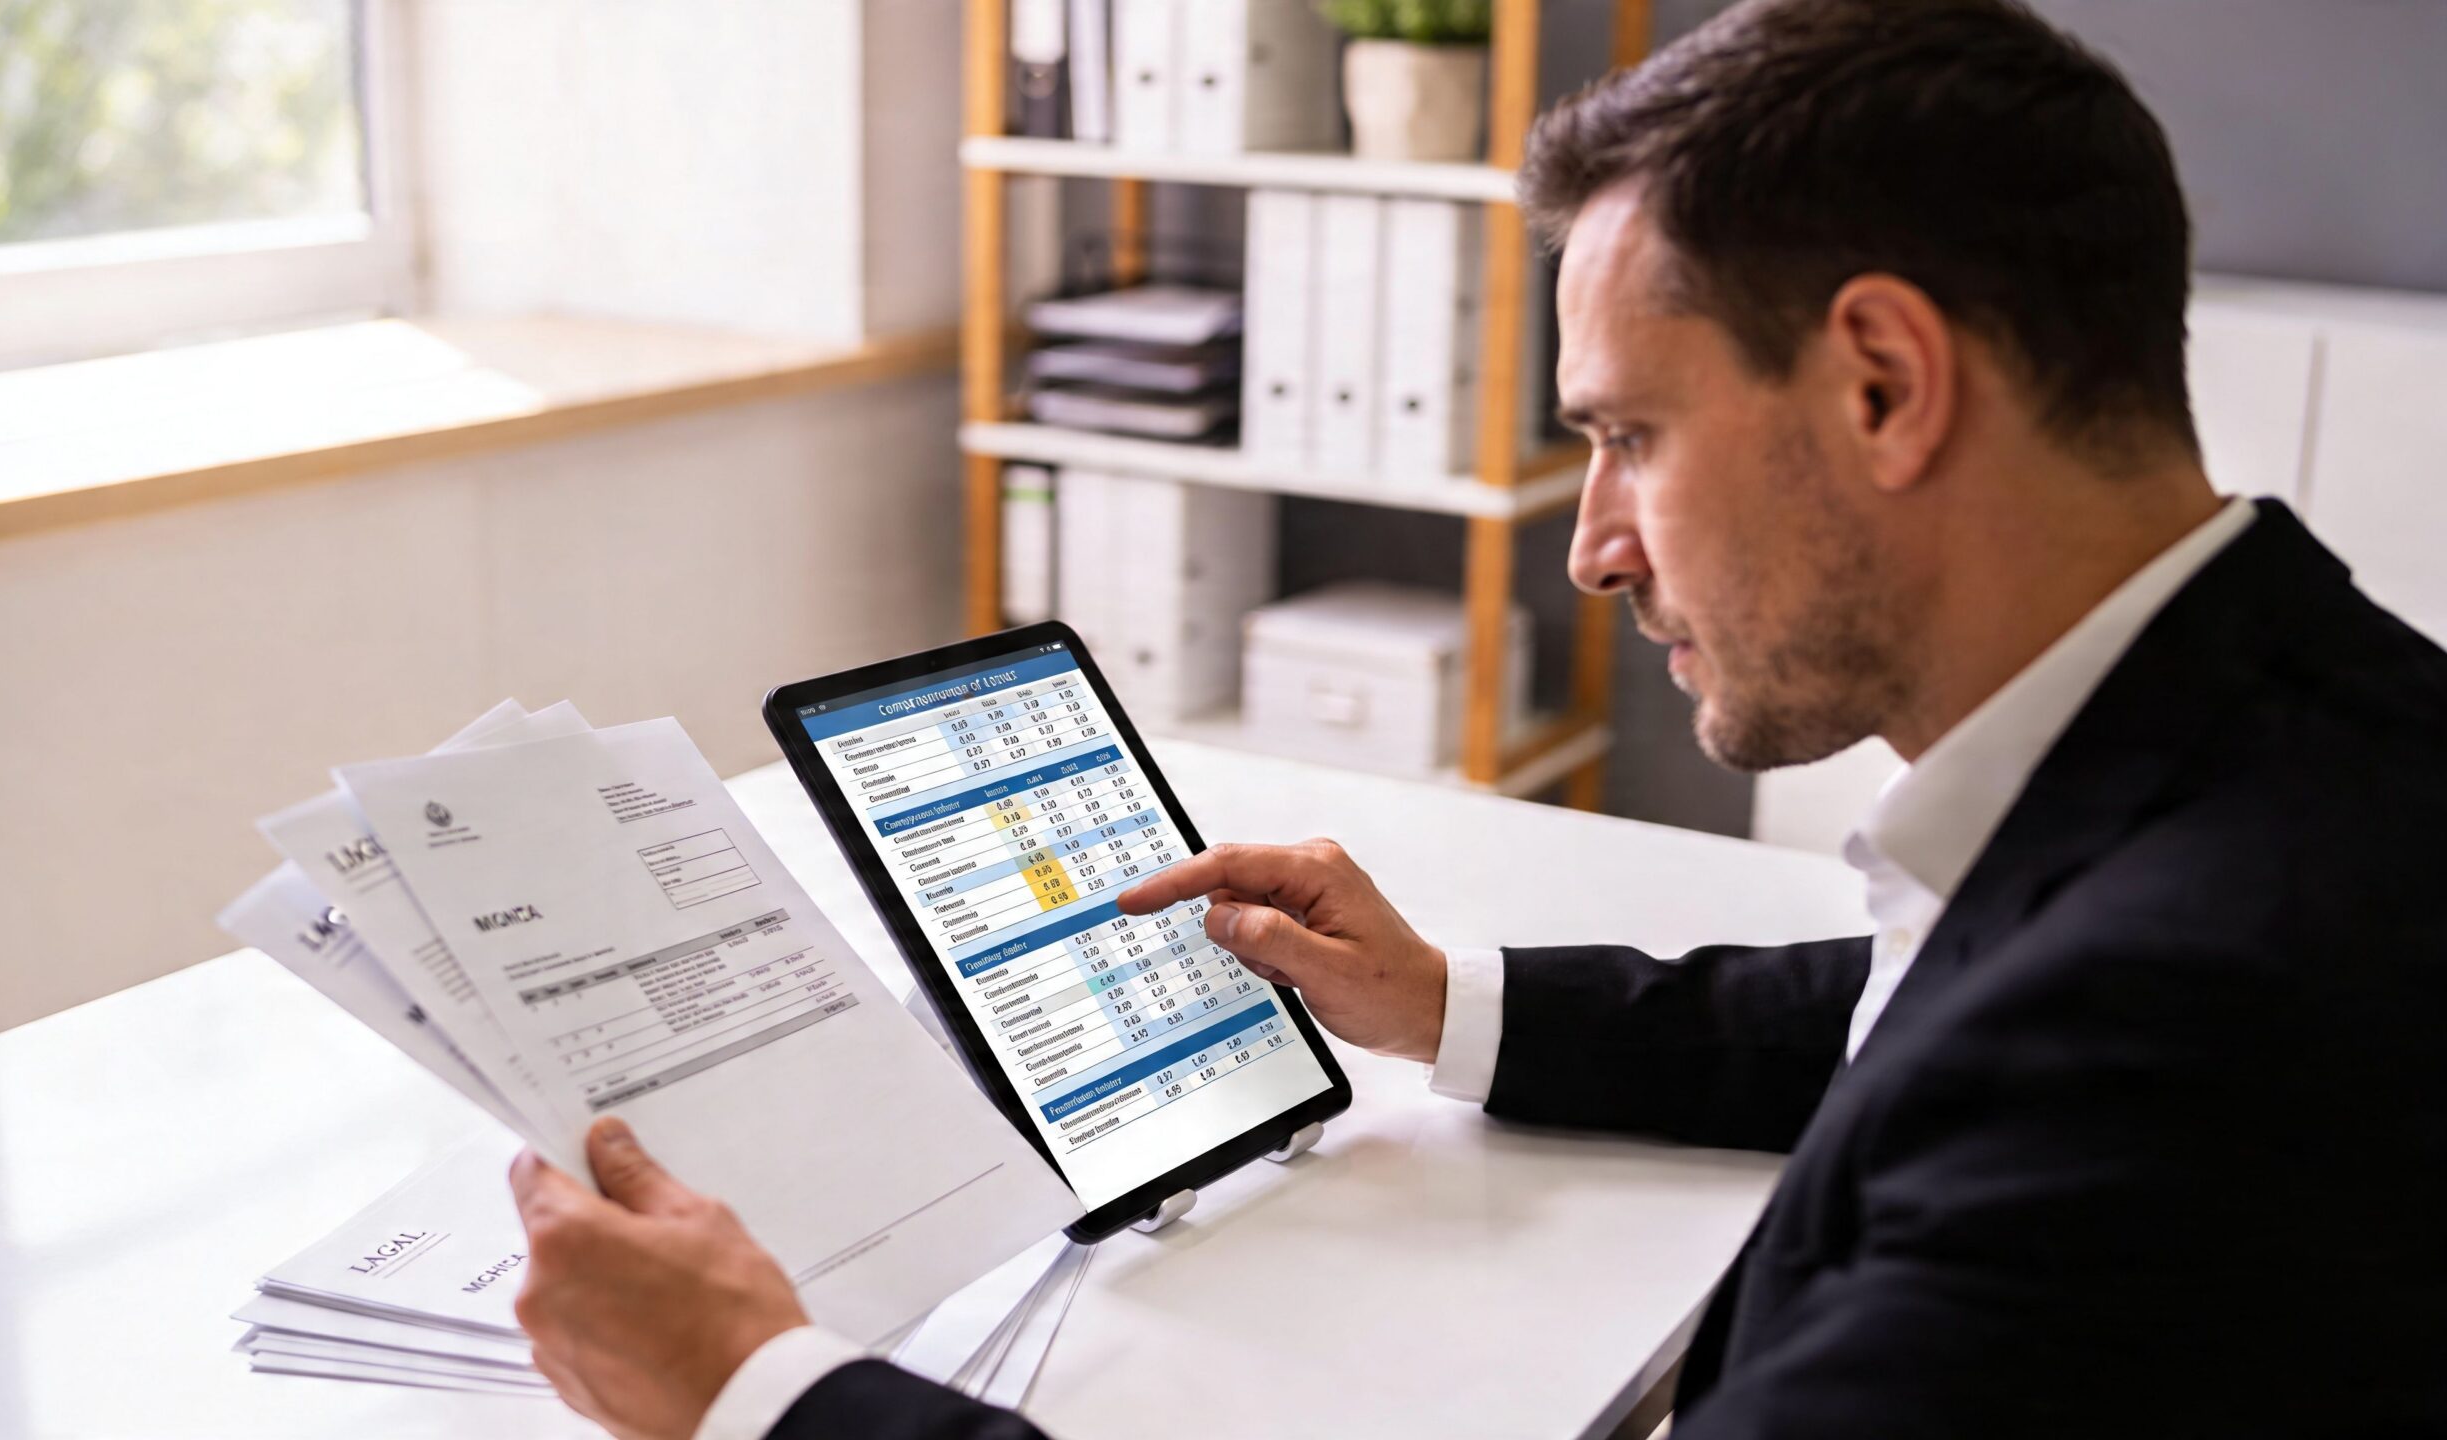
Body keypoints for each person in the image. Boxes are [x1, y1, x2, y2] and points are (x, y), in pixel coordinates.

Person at [504, 0, 2447, 1434]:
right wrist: (1443, 1001)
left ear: (1877, 383)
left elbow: (2024, 1060)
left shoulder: (2184, 1020)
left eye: (1624, 435)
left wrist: (760, 1396)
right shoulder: (2277, 731)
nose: (1592, 546)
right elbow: (1897, 1016)